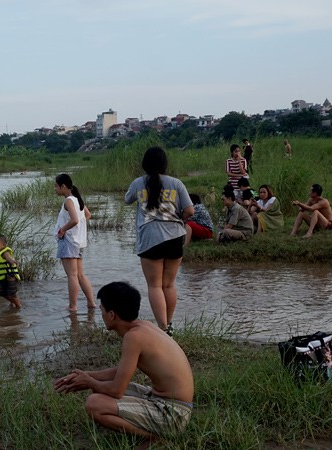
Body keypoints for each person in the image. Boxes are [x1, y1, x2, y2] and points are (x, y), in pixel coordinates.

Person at [54, 282, 194, 439]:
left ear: (112, 315)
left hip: (173, 414)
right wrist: (86, 375)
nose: (101, 315)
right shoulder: (144, 327)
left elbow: (116, 390)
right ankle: (152, 432)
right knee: (100, 390)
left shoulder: (133, 337)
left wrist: (89, 382)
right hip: (170, 403)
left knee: (94, 404)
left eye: (102, 311)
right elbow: (121, 371)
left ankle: (155, 438)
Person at [124, 147, 193, 335]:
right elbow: (189, 211)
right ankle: (168, 324)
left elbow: (127, 199)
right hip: (175, 236)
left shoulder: (138, 183)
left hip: (150, 238)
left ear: (145, 164)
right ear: (164, 163)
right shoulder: (176, 183)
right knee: (168, 284)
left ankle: (163, 328)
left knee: (154, 285)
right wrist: (178, 217)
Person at [54, 173, 96, 311]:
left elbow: (75, 220)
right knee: (80, 275)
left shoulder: (69, 201)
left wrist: (63, 230)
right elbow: (87, 215)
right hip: (79, 242)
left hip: (69, 241)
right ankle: (91, 303)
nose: (55, 189)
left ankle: (73, 306)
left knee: (72, 275)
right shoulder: (77, 199)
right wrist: (78, 228)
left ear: (63, 186)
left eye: (56, 186)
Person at [0, 235, 22, 308]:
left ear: (3, 245)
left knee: (12, 293)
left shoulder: (5, 252)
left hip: (10, 276)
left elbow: (8, 258)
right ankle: (12, 303)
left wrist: (12, 261)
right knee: (2, 293)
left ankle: (19, 306)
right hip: (1, 277)